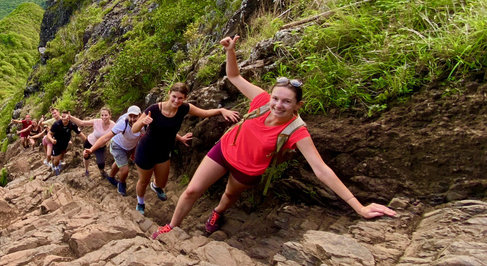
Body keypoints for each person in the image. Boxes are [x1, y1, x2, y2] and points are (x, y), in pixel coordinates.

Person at [151, 35, 398, 239]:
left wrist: (359, 207)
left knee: (229, 195)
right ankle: (172, 226)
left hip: (249, 168)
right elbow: (235, 77)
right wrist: (231, 52)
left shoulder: (296, 130)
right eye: (276, 98)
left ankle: (217, 212)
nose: (278, 105)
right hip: (225, 150)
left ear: (297, 105)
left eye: (286, 101)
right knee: (192, 190)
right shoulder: (260, 101)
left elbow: (321, 170)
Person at [131, 83, 240, 215]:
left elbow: (204, 113)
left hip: (163, 151)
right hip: (146, 150)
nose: (176, 101)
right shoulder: (153, 110)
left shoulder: (184, 108)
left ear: (185, 98)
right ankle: (140, 203)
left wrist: (222, 110)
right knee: (143, 181)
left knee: (162, 183)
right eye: (174, 97)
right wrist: (142, 122)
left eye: (180, 98)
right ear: (169, 94)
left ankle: (156, 186)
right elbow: (134, 129)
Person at [84, 106, 144, 196]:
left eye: (135, 116)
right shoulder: (123, 123)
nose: (132, 119)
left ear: (140, 115)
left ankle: (111, 177)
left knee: (119, 162)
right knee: (124, 170)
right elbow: (105, 137)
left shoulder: (144, 124)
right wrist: (91, 149)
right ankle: (122, 183)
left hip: (129, 146)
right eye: (130, 116)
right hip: (117, 145)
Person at [69, 107, 114, 178]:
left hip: (100, 146)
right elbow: (82, 122)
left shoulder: (113, 125)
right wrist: (71, 117)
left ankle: (102, 171)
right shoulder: (97, 122)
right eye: (102, 115)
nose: (104, 117)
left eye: (106, 115)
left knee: (101, 163)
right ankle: (86, 170)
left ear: (110, 116)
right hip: (89, 142)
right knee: (86, 156)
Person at [47, 110, 84, 176]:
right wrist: (52, 140)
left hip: (65, 142)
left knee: (61, 156)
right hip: (56, 142)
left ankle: (57, 162)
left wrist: (88, 142)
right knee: (57, 160)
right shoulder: (57, 124)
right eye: (62, 116)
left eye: (65, 117)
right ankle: (55, 167)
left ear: (68, 117)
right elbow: (49, 134)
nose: (63, 118)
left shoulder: (72, 124)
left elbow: (80, 134)